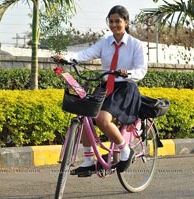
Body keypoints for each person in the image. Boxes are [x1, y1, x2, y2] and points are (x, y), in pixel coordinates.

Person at [53, 5, 147, 176]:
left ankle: (125, 151)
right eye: (111, 22)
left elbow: (141, 70)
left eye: (118, 21)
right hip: (106, 86)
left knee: (102, 118)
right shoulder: (105, 43)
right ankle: (89, 160)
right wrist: (66, 58)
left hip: (125, 87)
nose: (114, 25)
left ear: (126, 22)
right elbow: (85, 54)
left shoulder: (136, 45)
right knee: (86, 115)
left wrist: (128, 73)